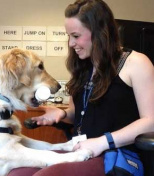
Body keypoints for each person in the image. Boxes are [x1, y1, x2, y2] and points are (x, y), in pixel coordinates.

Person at [8, 0, 154, 175]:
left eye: (76, 36)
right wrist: (62, 114)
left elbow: (151, 122)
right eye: (68, 36)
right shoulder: (84, 67)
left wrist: (102, 142)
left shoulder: (136, 63)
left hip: (116, 154)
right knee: (17, 171)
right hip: (82, 149)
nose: (70, 43)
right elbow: (78, 114)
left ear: (100, 33)